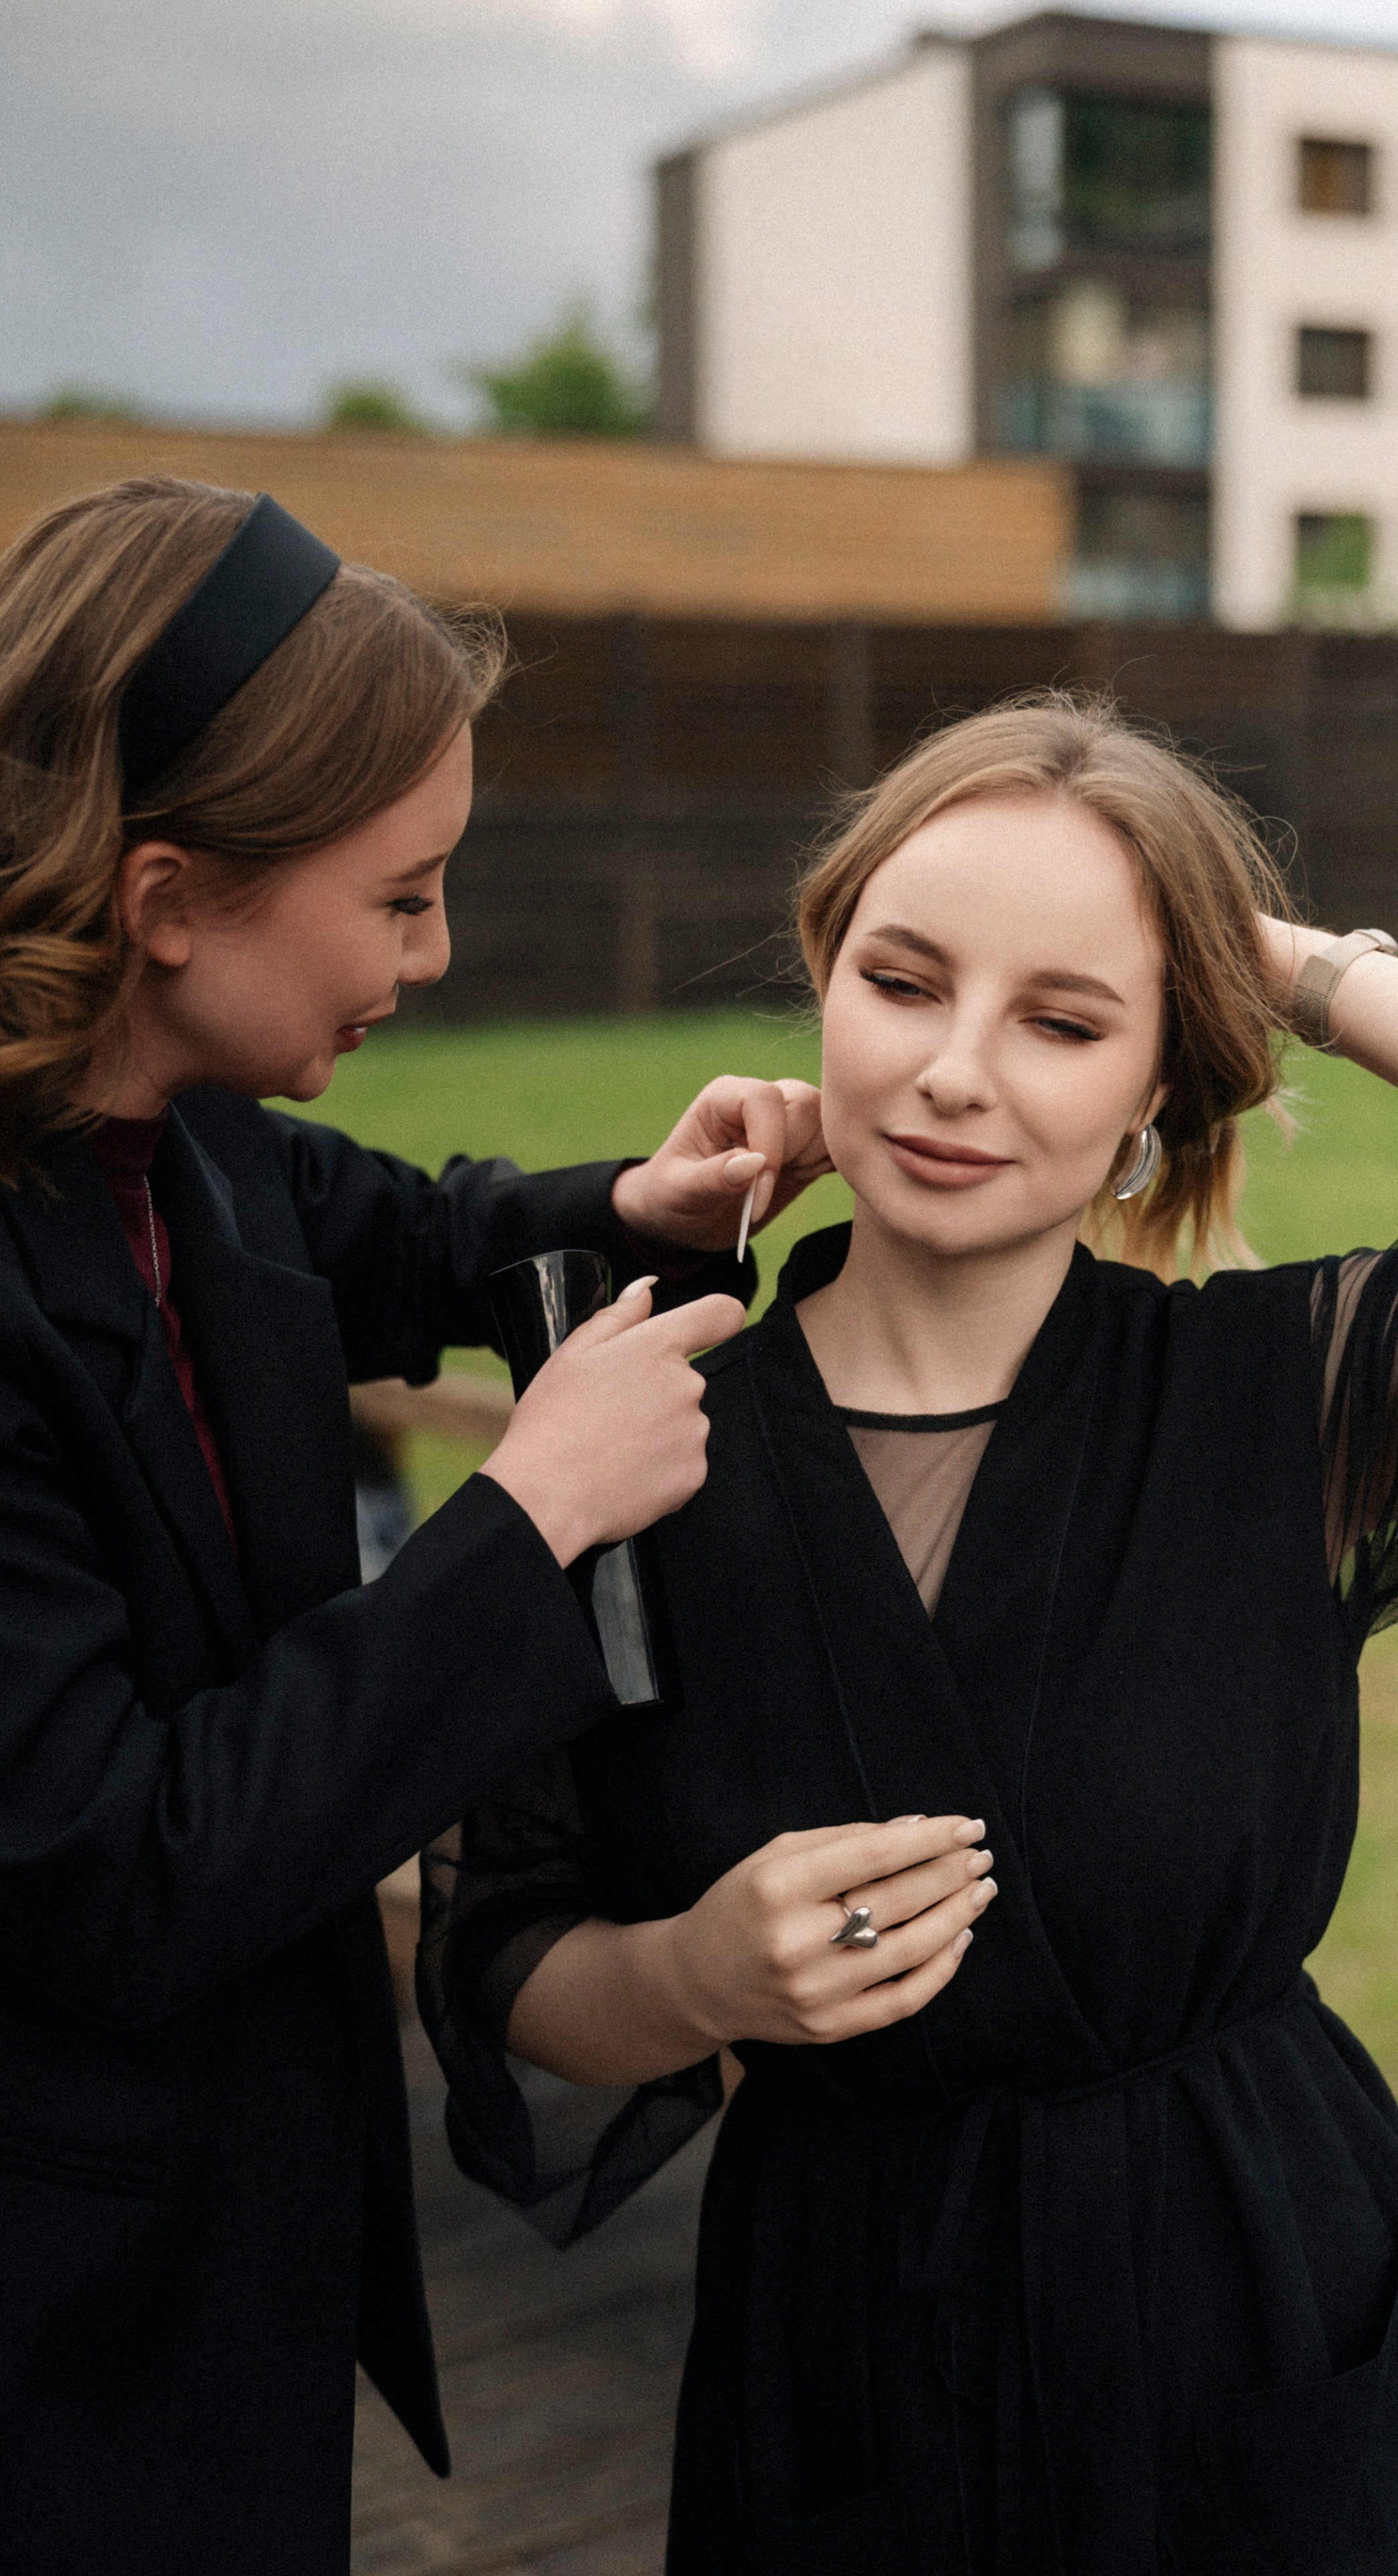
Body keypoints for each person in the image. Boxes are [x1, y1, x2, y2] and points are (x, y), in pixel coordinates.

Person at [423, 696, 1398, 2574]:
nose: (953, 1072)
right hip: (850, 2372)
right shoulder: (635, 1438)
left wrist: (1251, 947)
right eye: (905, 981)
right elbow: (509, 1949)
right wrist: (701, 1975)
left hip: (1272, 2331)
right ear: (822, 977)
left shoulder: (1285, 1404)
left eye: (1063, 1019)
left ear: (1161, 1083)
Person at [0, 475, 831, 2575]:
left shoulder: (180, 1142)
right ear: (167, 897)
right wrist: (528, 1518)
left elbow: (387, 1233)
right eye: (401, 897)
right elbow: (126, 1869)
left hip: (224, 2260)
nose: (437, 955)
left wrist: (622, 1210)